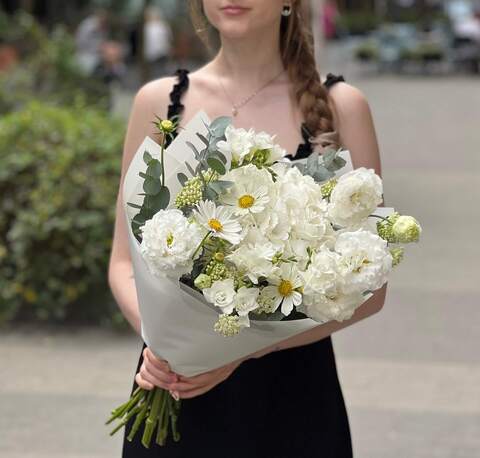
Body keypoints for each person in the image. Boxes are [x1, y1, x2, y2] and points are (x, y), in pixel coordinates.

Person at [108, 1, 388, 456]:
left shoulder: (342, 108)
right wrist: (162, 344)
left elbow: (371, 290)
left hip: (292, 402)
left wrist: (245, 350)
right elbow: (123, 261)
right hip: (175, 384)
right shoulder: (158, 102)